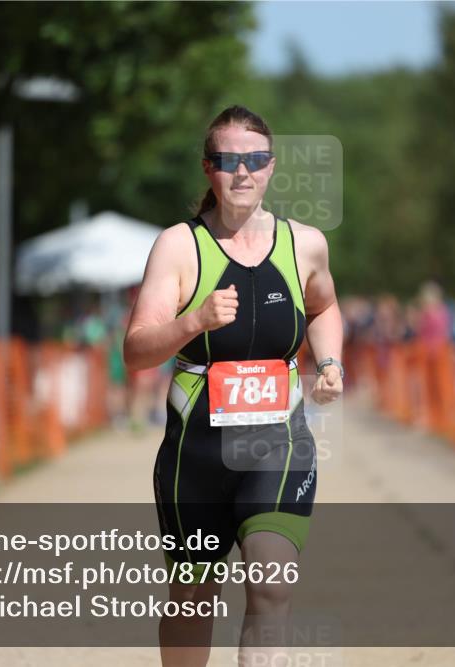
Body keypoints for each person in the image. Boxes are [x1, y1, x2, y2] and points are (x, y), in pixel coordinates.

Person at [123, 105, 344, 666]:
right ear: (208, 170)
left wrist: (332, 362)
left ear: (271, 168)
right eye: (228, 161)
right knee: (194, 599)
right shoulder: (178, 246)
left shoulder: (306, 245)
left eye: (255, 160)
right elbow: (135, 350)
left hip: (278, 445)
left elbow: (324, 306)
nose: (242, 172)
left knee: (271, 585)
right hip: (195, 456)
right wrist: (193, 322)